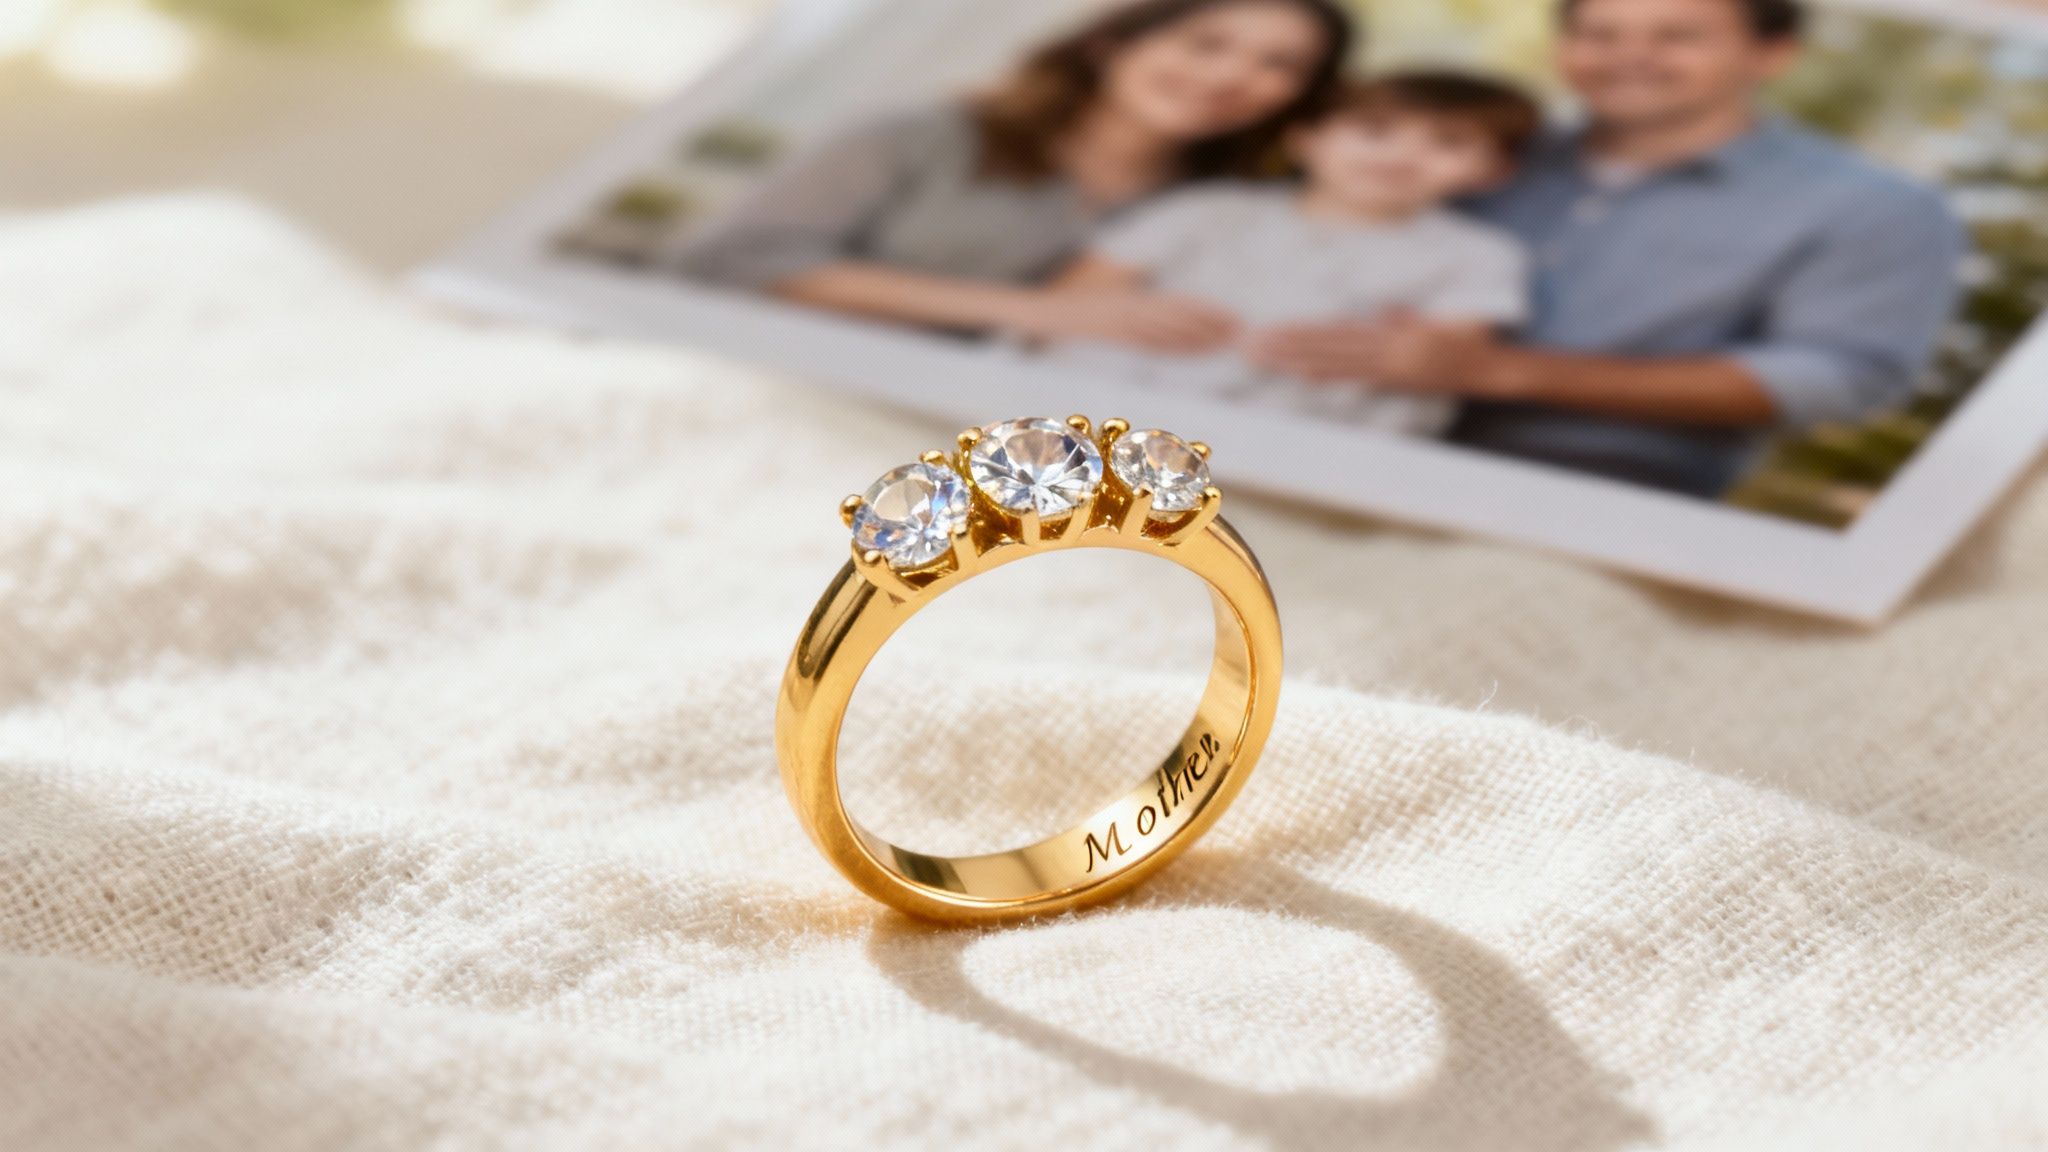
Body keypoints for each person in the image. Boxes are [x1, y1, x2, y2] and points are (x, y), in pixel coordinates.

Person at [1249, 0, 1967, 497]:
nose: (1631, 56)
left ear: (1772, 53)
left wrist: (1506, 372)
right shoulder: (1470, 153)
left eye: (1676, 35)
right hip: (1323, 436)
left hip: (1596, 494)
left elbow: (1839, 375)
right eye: (1601, 31)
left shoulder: (1875, 207)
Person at [679, 0, 1355, 350]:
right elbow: (728, 259)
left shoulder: (1240, 210)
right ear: (1111, 44)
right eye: (1205, 44)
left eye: (1280, 65)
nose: (1231, 76)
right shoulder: (921, 134)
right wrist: (1037, 311)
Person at [1039, 72, 1541, 435]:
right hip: (1127, 406)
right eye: (1374, 131)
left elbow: (1446, 357)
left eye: (1447, 142)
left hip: (1309, 431)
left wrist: (1405, 346)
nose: (1401, 154)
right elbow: (1075, 297)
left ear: (1494, 170)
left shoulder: (1479, 255)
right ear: (1305, 141)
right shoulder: (1209, 208)